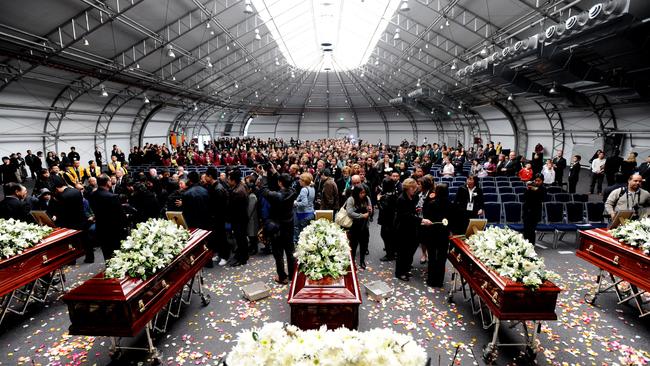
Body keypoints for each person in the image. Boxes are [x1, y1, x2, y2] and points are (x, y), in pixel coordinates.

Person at [260, 173, 297, 284]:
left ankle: (282, 277)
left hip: (278, 228)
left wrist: (265, 176)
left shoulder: (277, 196)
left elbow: (265, 191)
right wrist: (275, 172)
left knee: (278, 253)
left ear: (280, 183)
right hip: (289, 226)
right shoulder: (293, 192)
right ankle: (292, 275)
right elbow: (286, 182)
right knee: (290, 252)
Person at [394, 178, 432, 281]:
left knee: (410, 251)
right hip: (403, 229)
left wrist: (416, 210)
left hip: (411, 228)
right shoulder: (401, 199)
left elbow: (411, 211)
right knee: (403, 252)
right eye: (413, 188)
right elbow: (406, 216)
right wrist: (422, 220)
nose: (415, 190)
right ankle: (399, 272)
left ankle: (406, 269)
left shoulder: (412, 197)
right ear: (408, 188)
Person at [89, 174, 126, 261]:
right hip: (114, 229)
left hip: (101, 227)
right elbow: (120, 215)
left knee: (106, 254)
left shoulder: (92, 195)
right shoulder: (112, 197)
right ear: (107, 182)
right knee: (117, 254)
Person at [422, 183, 451, 288]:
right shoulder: (450, 204)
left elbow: (426, 216)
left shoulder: (431, 203)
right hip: (444, 232)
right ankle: (439, 281)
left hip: (432, 232)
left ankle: (431, 280)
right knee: (442, 257)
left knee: (432, 256)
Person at [226, 169, 250, 267]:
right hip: (242, 217)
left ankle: (242, 259)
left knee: (241, 239)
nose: (227, 181)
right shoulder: (241, 185)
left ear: (233, 181)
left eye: (229, 180)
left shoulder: (237, 192)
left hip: (239, 219)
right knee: (242, 238)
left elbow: (233, 208)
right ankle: (243, 255)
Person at [345, 186, 372, 269]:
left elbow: (370, 210)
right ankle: (351, 262)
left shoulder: (367, 198)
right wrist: (362, 215)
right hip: (354, 226)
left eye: (364, 193)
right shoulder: (351, 199)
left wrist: (370, 210)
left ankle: (362, 261)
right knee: (353, 245)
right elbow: (349, 212)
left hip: (364, 225)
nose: (363, 195)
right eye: (361, 193)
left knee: (364, 244)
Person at [377, 177, 399, 262]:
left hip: (387, 219)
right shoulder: (394, 192)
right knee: (391, 236)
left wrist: (378, 200)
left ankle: (389, 254)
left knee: (385, 236)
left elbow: (383, 208)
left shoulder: (387, 196)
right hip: (393, 218)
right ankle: (393, 251)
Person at [522, 174, 546, 245]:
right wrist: (528, 189)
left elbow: (543, 198)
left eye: (539, 181)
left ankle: (532, 245)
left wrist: (536, 190)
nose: (537, 182)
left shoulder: (543, 189)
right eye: (536, 180)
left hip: (535, 212)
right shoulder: (530, 187)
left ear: (542, 181)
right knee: (526, 229)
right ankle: (525, 245)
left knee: (532, 230)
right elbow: (525, 197)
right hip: (527, 211)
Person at [293, 172, 315, 243]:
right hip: (311, 212)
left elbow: (304, 203)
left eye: (300, 179)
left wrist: (296, 203)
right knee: (308, 235)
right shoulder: (312, 188)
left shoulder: (304, 190)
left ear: (304, 181)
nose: (299, 181)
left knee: (302, 235)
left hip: (303, 214)